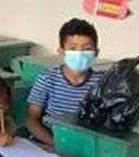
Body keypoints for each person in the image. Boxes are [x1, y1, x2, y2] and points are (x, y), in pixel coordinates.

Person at [25, 17, 103, 149]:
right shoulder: (48, 78)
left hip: (85, 144)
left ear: (96, 53)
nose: (80, 54)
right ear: (61, 52)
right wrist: (56, 144)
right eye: (73, 48)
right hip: (51, 141)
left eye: (87, 49)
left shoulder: (101, 83)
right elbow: (31, 120)